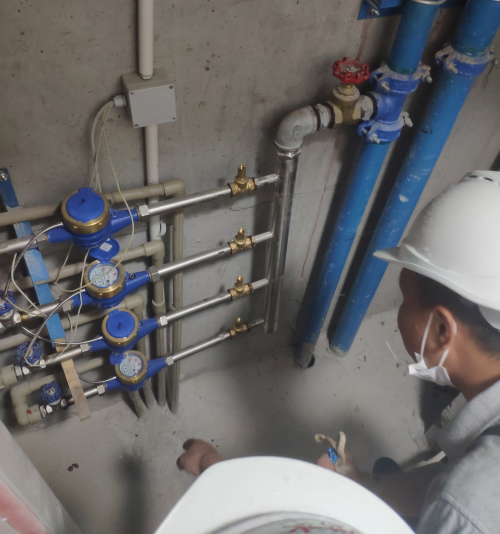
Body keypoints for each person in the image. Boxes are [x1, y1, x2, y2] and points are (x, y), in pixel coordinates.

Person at [177, 171, 500, 534]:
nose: (400, 310)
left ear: (441, 330)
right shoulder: (468, 486)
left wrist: (216, 473)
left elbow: (456, 502)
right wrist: (366, 486)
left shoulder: (465, 508)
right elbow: (446, 484)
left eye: (404, 298)